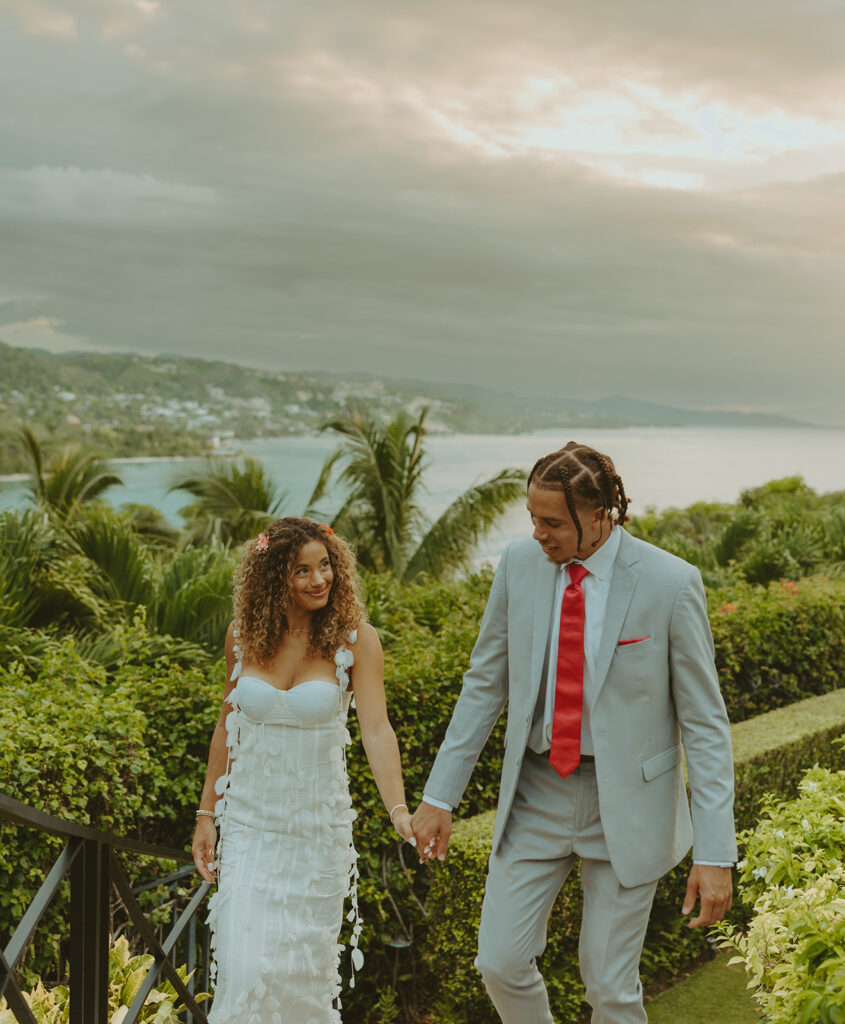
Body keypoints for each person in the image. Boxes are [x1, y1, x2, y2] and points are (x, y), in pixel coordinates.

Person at [411, 442, 736, 1024]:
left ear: (601, 514)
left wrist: (715, 852)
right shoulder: (517, 565)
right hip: (536, 793)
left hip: (630, 806)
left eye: (552, 522)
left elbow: (706, 726)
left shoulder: (671, 583)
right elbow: (484, 684)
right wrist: (439, 796)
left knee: (609, 986)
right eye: (532, 517)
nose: (538, 533)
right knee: (499, 961)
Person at [192, 517, 414, 1023]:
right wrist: (208, 813)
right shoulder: (243, 636)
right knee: (244, 971)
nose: (320, 580)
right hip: (249, 828)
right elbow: (227, 725)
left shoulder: (357, 640)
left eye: (325, 566)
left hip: (315, 836)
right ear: (273, 578)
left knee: (300, 979)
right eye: (302, 571)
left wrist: (398, 809)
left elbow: (377, 731)